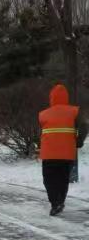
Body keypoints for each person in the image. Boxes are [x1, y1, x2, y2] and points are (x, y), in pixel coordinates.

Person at [38, 84, 81, 217]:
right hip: (67, 154)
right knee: (63, 179)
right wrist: (77, 141)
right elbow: (82, 128)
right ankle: (60, 201)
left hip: (49, 154)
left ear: (52, 98)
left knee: (49, 180)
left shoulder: (43, 114)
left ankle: (55, 203)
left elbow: (40, 132)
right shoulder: (74, 112)